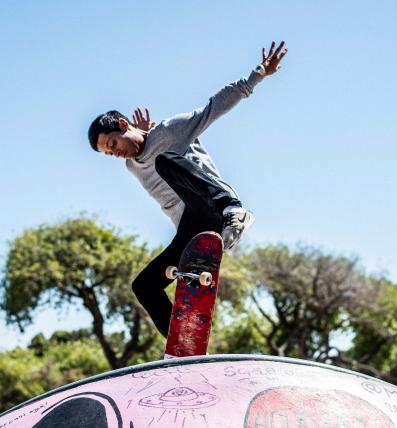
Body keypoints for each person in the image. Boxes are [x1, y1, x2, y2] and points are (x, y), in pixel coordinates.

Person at [87, 41, 288, 337]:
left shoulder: (170, 130)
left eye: (113, 144)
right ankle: (182, 341)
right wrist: (142, 137)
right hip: (189, 229)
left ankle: (235, 211)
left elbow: (215, 106)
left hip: (212, 207)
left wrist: (258, 75)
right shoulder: (131, 165)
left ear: (122, 124)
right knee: (144, 286)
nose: (115, 153)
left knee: (166, 161)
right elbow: (143, 154)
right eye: (108, 153)